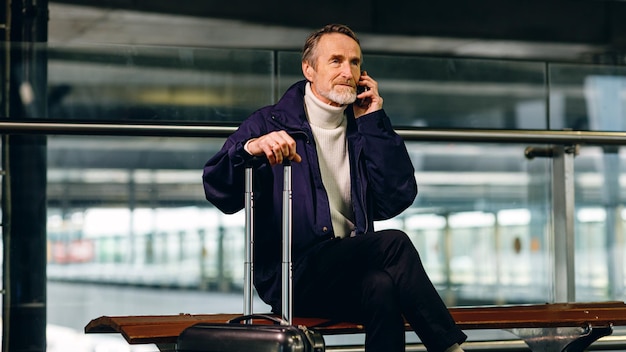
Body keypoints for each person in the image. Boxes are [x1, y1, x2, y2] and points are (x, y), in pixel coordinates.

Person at [202, 24, 467, 352]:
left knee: (381, 286)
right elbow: (217, 190)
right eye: (336, 61)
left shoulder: (361, 127)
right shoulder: (269, 123)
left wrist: (375, 122)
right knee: (394, 243)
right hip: (292, 275)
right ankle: (450, 348)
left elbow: (395, 198)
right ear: (308, 69)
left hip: (349, 267)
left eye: (355, 62)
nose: (348, 71)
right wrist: (251, 149)